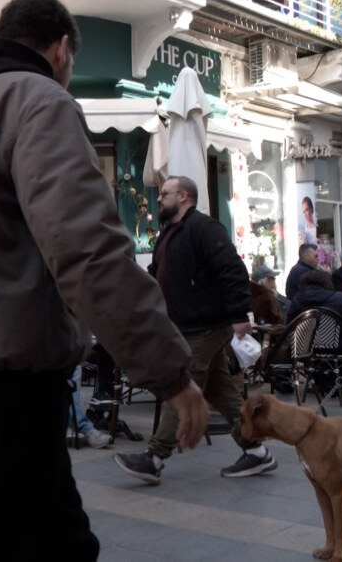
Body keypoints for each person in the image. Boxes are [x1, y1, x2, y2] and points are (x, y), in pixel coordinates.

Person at [0, 0, 208, 560]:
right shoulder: (40, 101)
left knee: (51, 534)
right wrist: (170, 372)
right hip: (9, 369)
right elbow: (89, 252)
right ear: (61, 50)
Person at [114, 176, 277, 485]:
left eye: (165, 193)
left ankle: (154, 458)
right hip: (185, 326)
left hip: (205, 326)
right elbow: (159, 273)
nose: (159, 198)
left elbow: (233, 270)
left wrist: (240, 313)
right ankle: (256, 452)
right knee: (222, 393)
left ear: (184, 196)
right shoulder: (169, 233)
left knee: (182, 385)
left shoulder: (205, 228)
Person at [286, 270, 342, 337]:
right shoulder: (340, 298)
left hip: (304, 348)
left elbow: (290, 325)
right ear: (327, 282)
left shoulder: (297, 300)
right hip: (341, 347)